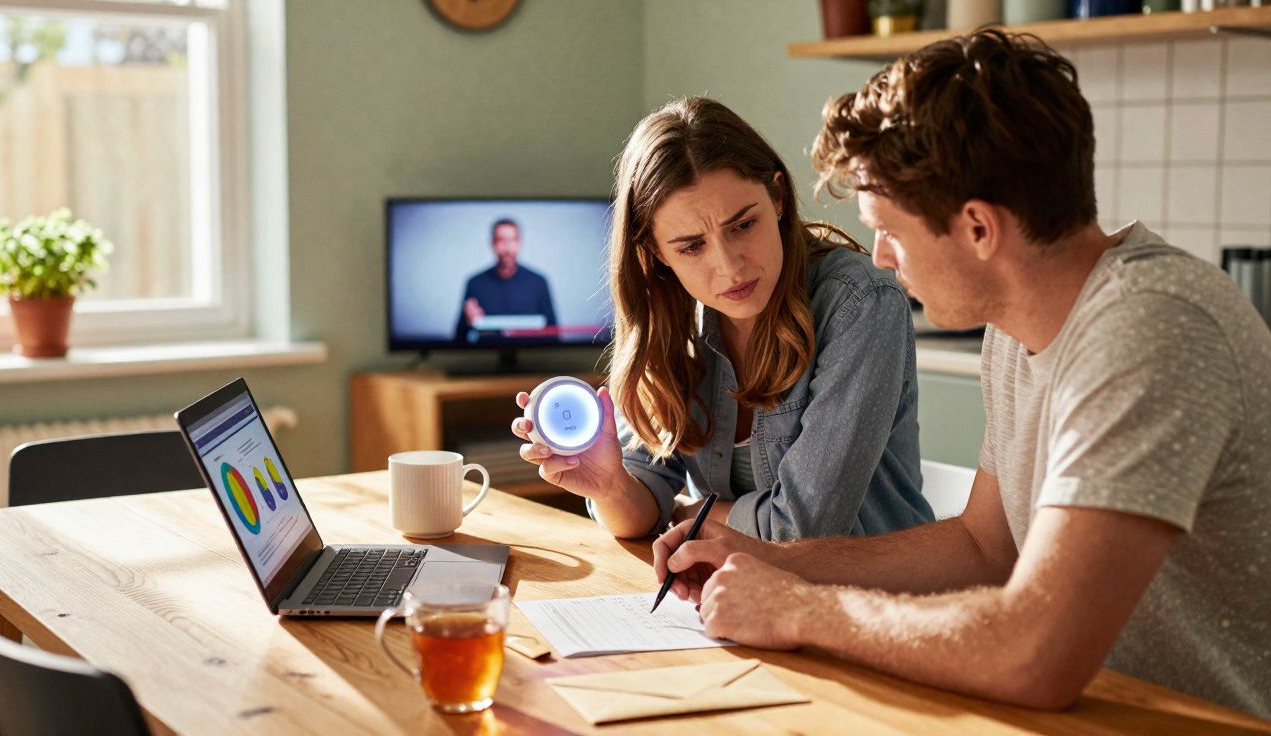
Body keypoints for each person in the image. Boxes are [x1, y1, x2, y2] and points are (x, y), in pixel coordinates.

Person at [651, 30, 1271, 717]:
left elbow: (1036, 653)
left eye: (890, 229)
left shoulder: (1151, 328)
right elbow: (984, 547)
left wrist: (803, 608)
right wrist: (765, 560)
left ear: (978, 228)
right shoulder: (1016, 327)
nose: (882, 259)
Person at [511, 97, 933, 542]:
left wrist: (690, 514)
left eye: (743, 225)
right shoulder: (673, 321)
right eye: (691, 247)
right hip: (739, 594)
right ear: (657, 253)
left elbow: (804, 529)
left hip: (869, 597)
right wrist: (612, 485)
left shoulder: (860, 303)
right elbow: (643, 509)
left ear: (779, 198)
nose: (730, 268)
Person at [455, 218, 556, 342]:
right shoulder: (475, 283)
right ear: (492, 243)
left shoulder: (538, 282)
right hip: (487, 358)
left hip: (530, 358)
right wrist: (470, 324)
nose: (508, 248)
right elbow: (458, 340)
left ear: (520, 242)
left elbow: (553, 337)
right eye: (501, 240)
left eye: (513, 240)